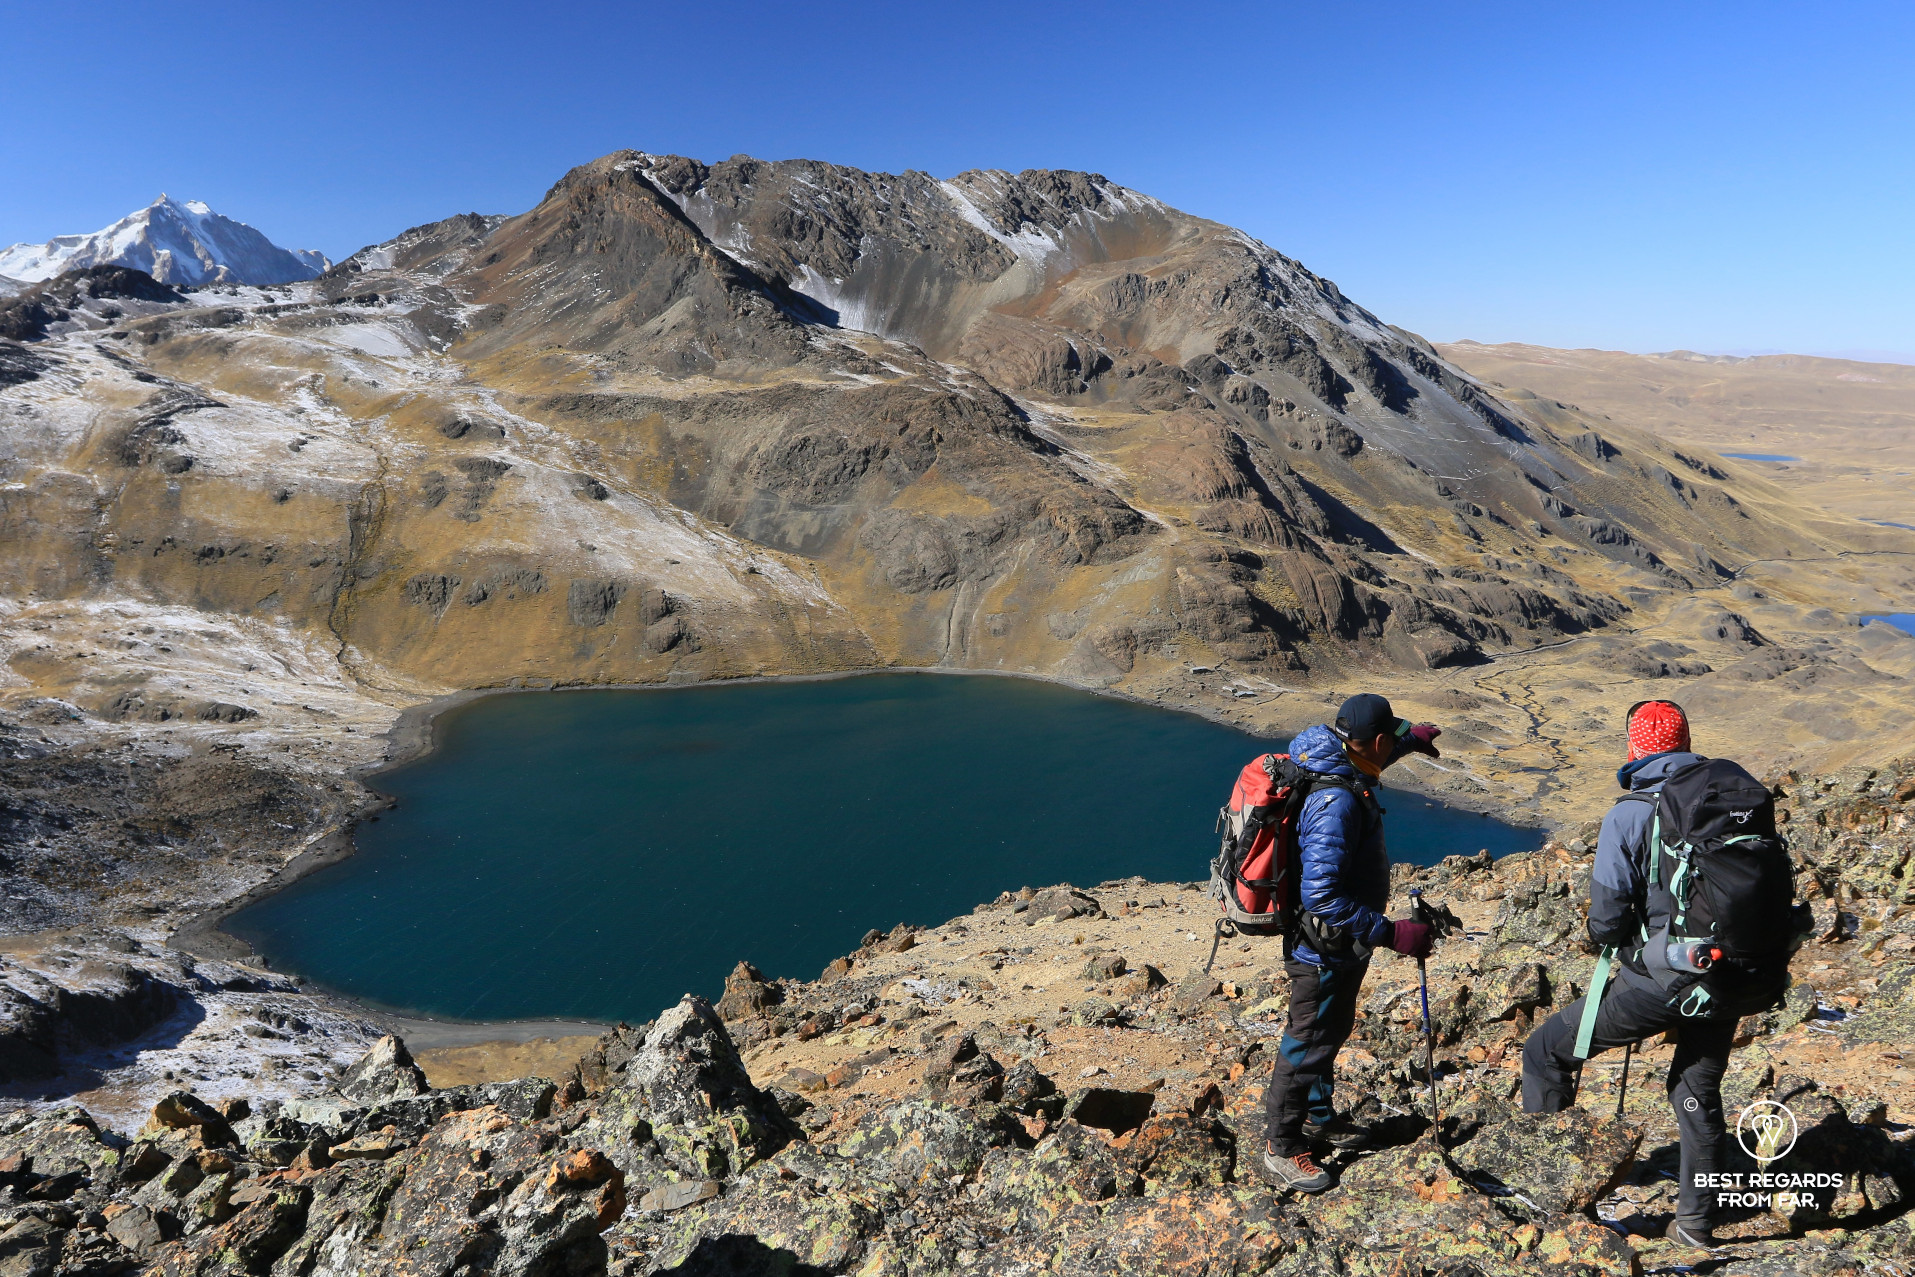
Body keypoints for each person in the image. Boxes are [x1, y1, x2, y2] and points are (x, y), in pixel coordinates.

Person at [1519, 700, 1731, 1247]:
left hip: (1663, 979)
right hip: (1729, 974)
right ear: (1685, 742)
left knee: (1545, 1050)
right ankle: (1696, 1225)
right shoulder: (1727, 798)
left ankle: (1547, 1191)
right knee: (1696, 1088)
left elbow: (1608, 919)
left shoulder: (1632, 811)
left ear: (1637, 747)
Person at [1255, 692, 1442, 1194]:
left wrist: (1410, 742)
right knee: (1308, 1042)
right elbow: (1321, 896)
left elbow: (1370, 754)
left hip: (1337, 945)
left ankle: (1317, 1117)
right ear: (1374, 740)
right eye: (1392, 739)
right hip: (1322, 948)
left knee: (1327, 1033)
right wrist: (1392, 933)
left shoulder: (1338, 759)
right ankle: (1283, 1146)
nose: (1393, 746)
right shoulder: (1336, 801)